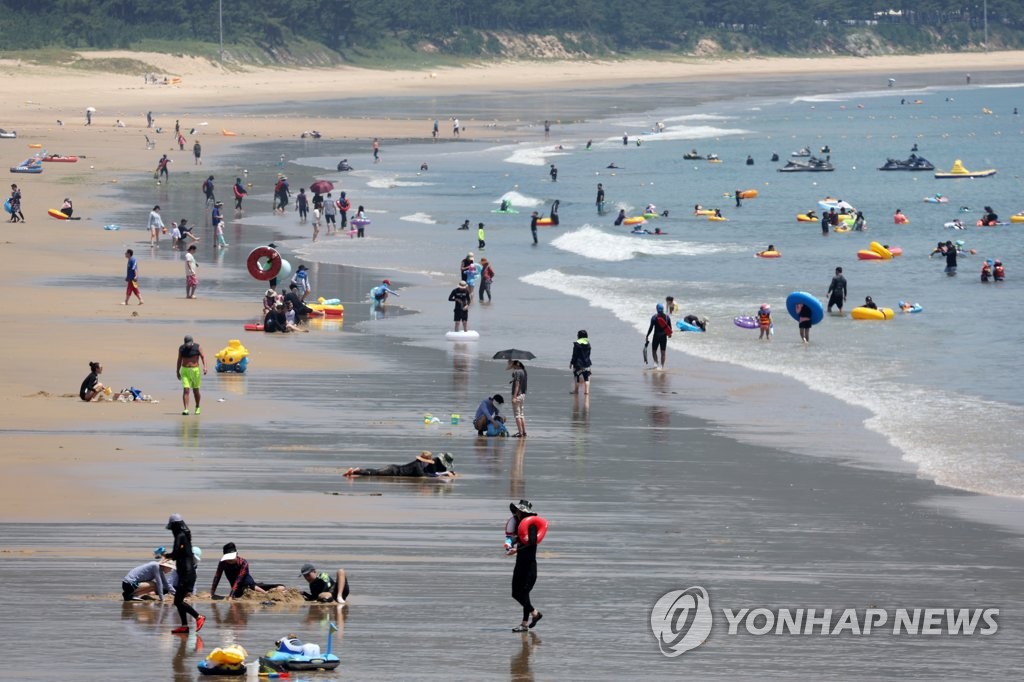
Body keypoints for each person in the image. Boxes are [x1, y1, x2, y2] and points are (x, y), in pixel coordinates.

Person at [163, 513, 204, 634]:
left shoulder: (180, 536)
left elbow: (175, 554)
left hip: (186, 574)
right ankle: (184, 626)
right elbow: (179, 554)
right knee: (178, 600)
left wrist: (166, 555)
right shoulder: (185, 536)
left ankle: (198, 617)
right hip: (187, 574)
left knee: (178, 601)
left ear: (175, 526)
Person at [507, 500, 543, 633]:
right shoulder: (519, 526)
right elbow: (517, 539)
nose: (516, 513)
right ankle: (535, 614)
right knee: (515, 593)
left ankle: (524, 623)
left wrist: (517, 550)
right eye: (516, 511)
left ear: (523, 512)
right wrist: (509, 543)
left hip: (529, 565)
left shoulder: (531, 525)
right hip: (519, 563)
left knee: (524, 593)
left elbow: (532, 543)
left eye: (518, 511)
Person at [210, 543, 284, 599]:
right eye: (228, 558)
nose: (229, 560)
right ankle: (268, 592)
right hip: (237, 590)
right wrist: (212, 593)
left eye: (231, 558)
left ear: (236, 555)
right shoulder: (223, 563)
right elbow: (217, 577)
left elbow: (238, 580)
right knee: (239, 594)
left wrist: (231, 595)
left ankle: (266, 593)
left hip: (249, 584)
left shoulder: (243, 563)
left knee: (281, 587)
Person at [344, 451, 456, 478]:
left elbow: (433, 472)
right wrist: (444, 473)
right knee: (374, 473)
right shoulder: (418, 465)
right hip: (393, 470)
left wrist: (445, 472)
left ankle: (356, 470)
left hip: (394, 469)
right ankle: (355, 471)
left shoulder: (427, 465)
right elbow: (423, 476)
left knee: (375, 471)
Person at [176, 335, 207, 416]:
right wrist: (177, 371)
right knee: (186, 389)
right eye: (187, 344)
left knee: (195, 390)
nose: (188, 345)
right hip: (185, 370)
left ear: (192, 342)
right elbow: (179, 360)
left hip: (195, 370)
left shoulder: (198, 347)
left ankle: (197, 407)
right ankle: (186, 409)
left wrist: (205, 367)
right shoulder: (182, 348)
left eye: (190, 343)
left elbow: (203, 357)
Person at [645, 303, 672, 369]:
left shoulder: (654, 317)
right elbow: (670, 328)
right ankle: (662, 367)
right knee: (663, 352)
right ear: (663, 309)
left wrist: (647, 335)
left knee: (654, 351)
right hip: (663, 337)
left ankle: (656, 363)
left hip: (656, 337)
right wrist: (669, 334)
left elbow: (651, 328)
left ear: (657, 309)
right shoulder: (667, 317)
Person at [508, 360, 528, 438]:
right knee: (521, 415)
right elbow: (519, 380)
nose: (512, 367)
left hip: (517, 395)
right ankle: (524, 432)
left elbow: (517, 385)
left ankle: (520, 432)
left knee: (517, 415)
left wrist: (514, 397)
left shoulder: (517, 372)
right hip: (523, 395)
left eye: (513, 365)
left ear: (516, 365)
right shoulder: (524, 371)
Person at [570, 330, 592, 395]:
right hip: (587, 363)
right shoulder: (588, 344)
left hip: (578, 364)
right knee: (586, 379)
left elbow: (574, 355)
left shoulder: (577, 344)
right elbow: (588, 355)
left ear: (579, 336)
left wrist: (571, 363)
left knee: (577, 378)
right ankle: (587, 391)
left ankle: (576, 391)